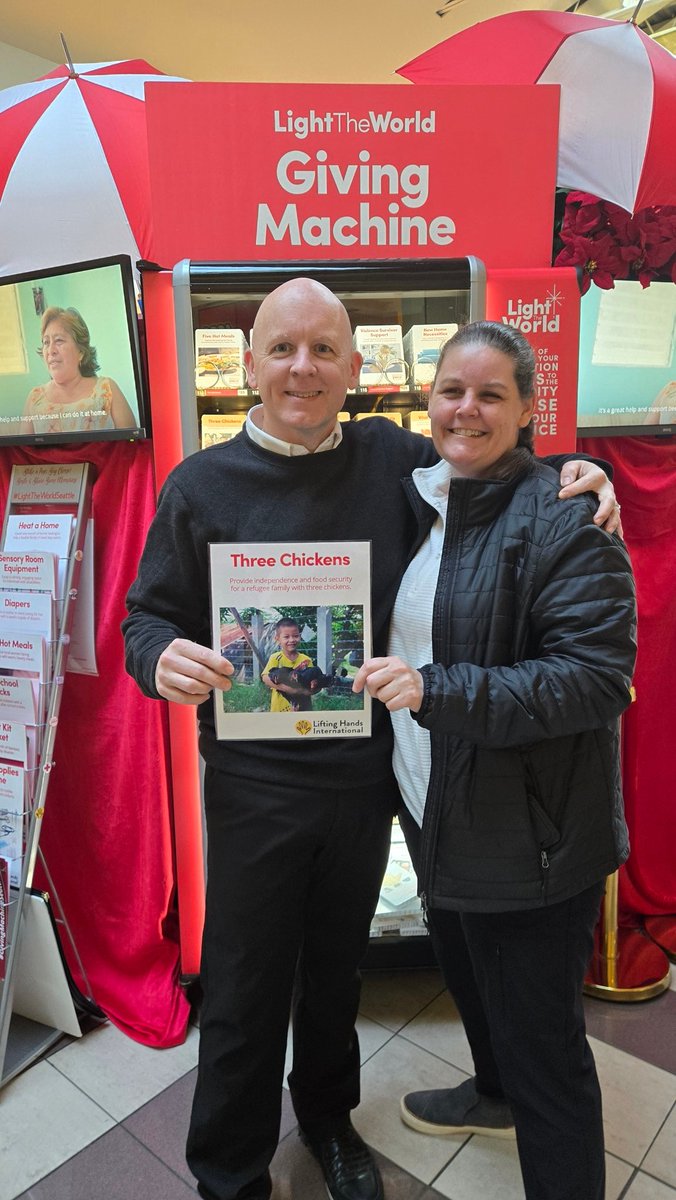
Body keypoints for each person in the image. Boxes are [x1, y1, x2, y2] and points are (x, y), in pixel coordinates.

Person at [122, 279, 621, 1200]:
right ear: (251, 362)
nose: (302, 369)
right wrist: (157, 656)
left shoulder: (396, 460)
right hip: (253, 784)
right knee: (241, 988)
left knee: (336, 975)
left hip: (365, 779)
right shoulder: (199, 486)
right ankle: (229, 1172)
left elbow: (496, 465)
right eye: (282, 349)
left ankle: (327, 1120)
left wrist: (580, 474)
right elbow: (146, 616)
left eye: (323, 351)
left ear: (357, 369)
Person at [353, 320, 637, 1200]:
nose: (465, 409)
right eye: (450, 390)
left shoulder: (563, 510)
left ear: (527, 409)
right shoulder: (420, 495)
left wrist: (440, 690)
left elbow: (594, 680)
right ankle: (493, 1092)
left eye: (490, 395)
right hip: (438, 807)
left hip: (534, 839)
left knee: (547, 1046)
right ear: (426, 399)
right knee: (474, 983)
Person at [21, 306, 137, 435]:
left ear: (81, 351)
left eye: (59, 340)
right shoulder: (34, 398)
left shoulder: (106, 389)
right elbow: (23, 453)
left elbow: (132, 446)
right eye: (46, 342)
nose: (51, 351)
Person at [261, 617, 314, 711]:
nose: (292, 640)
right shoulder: (275, 658)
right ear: (277, 639)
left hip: (303, 708)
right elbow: (265, 678)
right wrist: (288, 689)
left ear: (300, 636)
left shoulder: (306, 660)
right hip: (280, 710)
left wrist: (305, 691)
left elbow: (313, 683)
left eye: (295, 636)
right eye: (286, 637)